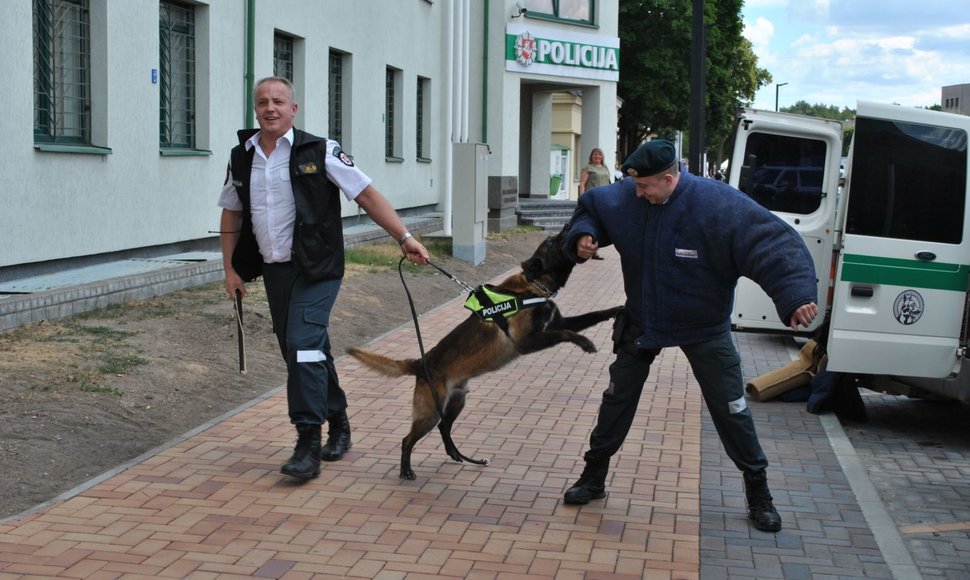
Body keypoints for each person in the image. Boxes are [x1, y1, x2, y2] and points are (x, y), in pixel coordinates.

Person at [561, 140, 818, 532]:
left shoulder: (717, 205)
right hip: (644, 320)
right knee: (617, 398)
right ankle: (593, 475)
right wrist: (583, 235)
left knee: (731, 407)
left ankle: (758, 490)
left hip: (703, 325)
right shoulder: (631, 196)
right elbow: (593, 208)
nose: (637, 193)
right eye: (634, 184)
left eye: (645, 185)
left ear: (669, 178)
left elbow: (774, 242)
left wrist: (795, 295)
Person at [217, 76, 430, 481]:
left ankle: (307, 443)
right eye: (262, 102)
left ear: (293, 109)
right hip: (275, 269)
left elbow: (365, 193)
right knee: (304, 351)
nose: (270, 108)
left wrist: (404, 237)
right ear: (255, 109)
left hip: (318, 269)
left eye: (278, 101)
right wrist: (230, 268)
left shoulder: (321, 150)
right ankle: (340, 420)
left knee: (302, 346)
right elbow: (231, 212)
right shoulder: (241, 156)